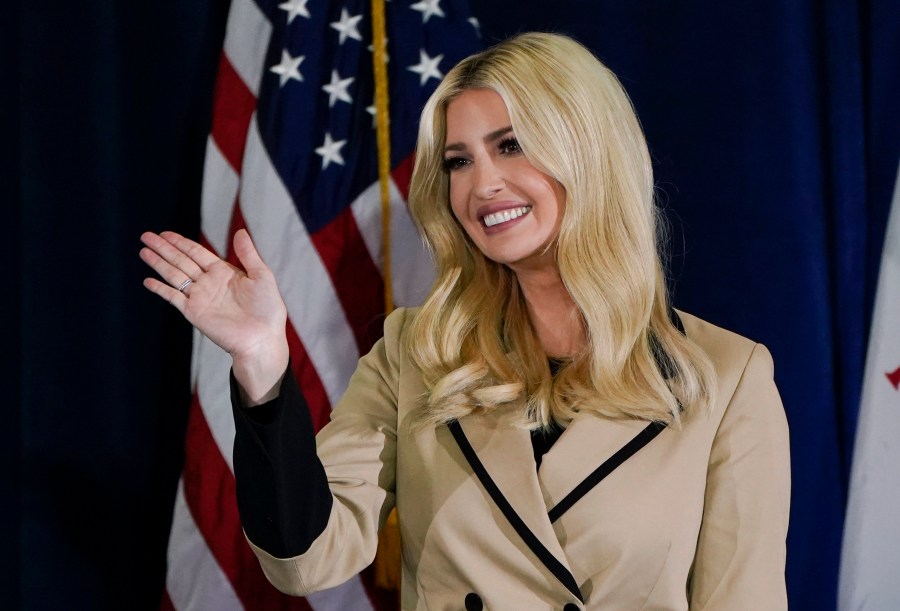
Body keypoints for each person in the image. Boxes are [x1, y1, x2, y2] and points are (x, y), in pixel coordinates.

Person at [141, 32, 790, 610]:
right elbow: (308, 558)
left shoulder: (727, 376)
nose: (482, 185)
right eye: (459, 160)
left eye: (511, 146)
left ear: (589, 154)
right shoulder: (415, 351)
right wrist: (263, 371)